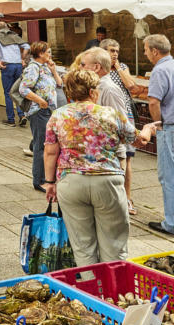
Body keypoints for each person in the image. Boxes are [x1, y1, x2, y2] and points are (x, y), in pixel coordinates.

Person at [44, 69, 152, 265]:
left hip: (71, 181)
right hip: (107, 181)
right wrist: (148, 129)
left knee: (82, 246)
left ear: (69, 93)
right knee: (114, 243)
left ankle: (91, 289)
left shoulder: (58, 116)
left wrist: (50, 183)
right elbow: (138, 140)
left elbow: (50, 152)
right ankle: (113, 291)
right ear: (93, 92)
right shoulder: (110, 114)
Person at [101, 38, 139, 214]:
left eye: (117, 50)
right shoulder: (98, 67)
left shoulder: (121, 67)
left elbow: (131, 85)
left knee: (127, 156)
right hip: (103, 117)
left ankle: (127, 197)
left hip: (124, 115)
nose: (115, 53)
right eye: (111, 50)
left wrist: (117, 68)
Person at [20, 41, 62, 191]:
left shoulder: (45, 67)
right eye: (48, 52)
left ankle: (47, 178)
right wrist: (40, 101)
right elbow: (23, 89)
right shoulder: (33, 68)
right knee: (41, 147)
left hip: (49, 111)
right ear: (40, 54)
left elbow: (59, 84)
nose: (50, 54)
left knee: (47, 145)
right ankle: (39, 180)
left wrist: (54, 70)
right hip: (39, 111)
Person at [145, 33, 174, 236]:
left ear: (155, 51)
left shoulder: (160, 70)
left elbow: (153, 101)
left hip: (170, 126)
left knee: (168, 176)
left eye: (146, 50)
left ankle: (171, 222)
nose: (145, 54)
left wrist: (158, 125)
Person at [0, 21, 30, 127]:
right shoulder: (14, 36)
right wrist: (22, 58)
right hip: (18, 66)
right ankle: (22, 115)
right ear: (8, 27)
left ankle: (11, 119)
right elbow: (27, 46)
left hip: (7, 66)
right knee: (18, 91)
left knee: (8, 93)